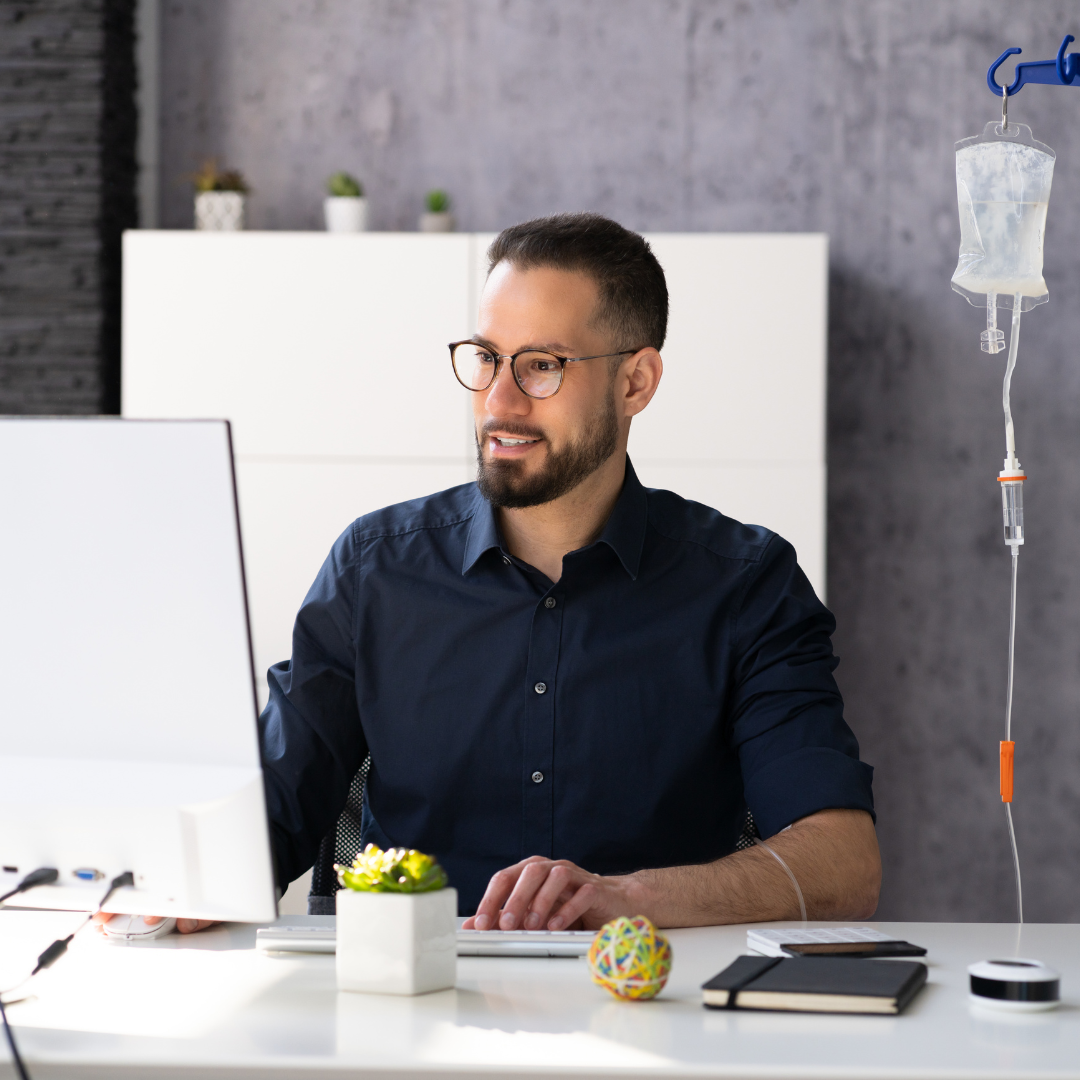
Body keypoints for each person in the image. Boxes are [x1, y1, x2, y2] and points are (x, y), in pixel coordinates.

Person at [105, 212, 879, 936]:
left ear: (636, 382)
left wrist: (626, 899)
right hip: (411, 1012)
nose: (497, 401)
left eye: (542, 365)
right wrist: (179, 882)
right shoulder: (375, 570)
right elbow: (268, 812)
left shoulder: (747, 585)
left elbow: (844, 865)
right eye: (485, 359)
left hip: (651, 1006)